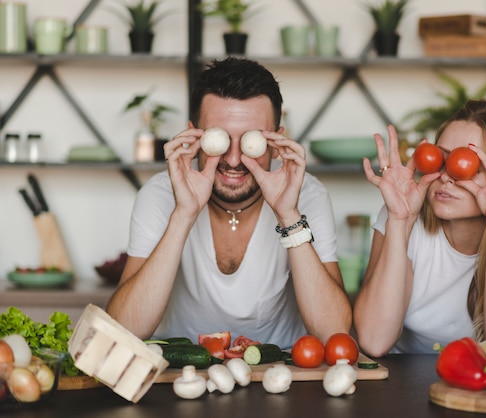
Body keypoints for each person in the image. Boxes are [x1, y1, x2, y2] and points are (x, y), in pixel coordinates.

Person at [106, 57, 351, 348]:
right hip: (183, 373)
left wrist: (288, 215)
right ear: (193, 136)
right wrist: (184, 214)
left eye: (251, 141)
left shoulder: (306, 194)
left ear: (276, 143)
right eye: (218, 139)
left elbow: (334, 333)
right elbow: (123, 330)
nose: (234, 160)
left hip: (278, 370)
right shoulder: (160, 194)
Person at [353, 99, 486, 356]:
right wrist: (401, 221)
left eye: (465, 164)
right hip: (405, 384)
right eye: (439, 159)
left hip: (484, 385)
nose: (446, 176)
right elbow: (373, 340)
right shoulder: (404, 215)